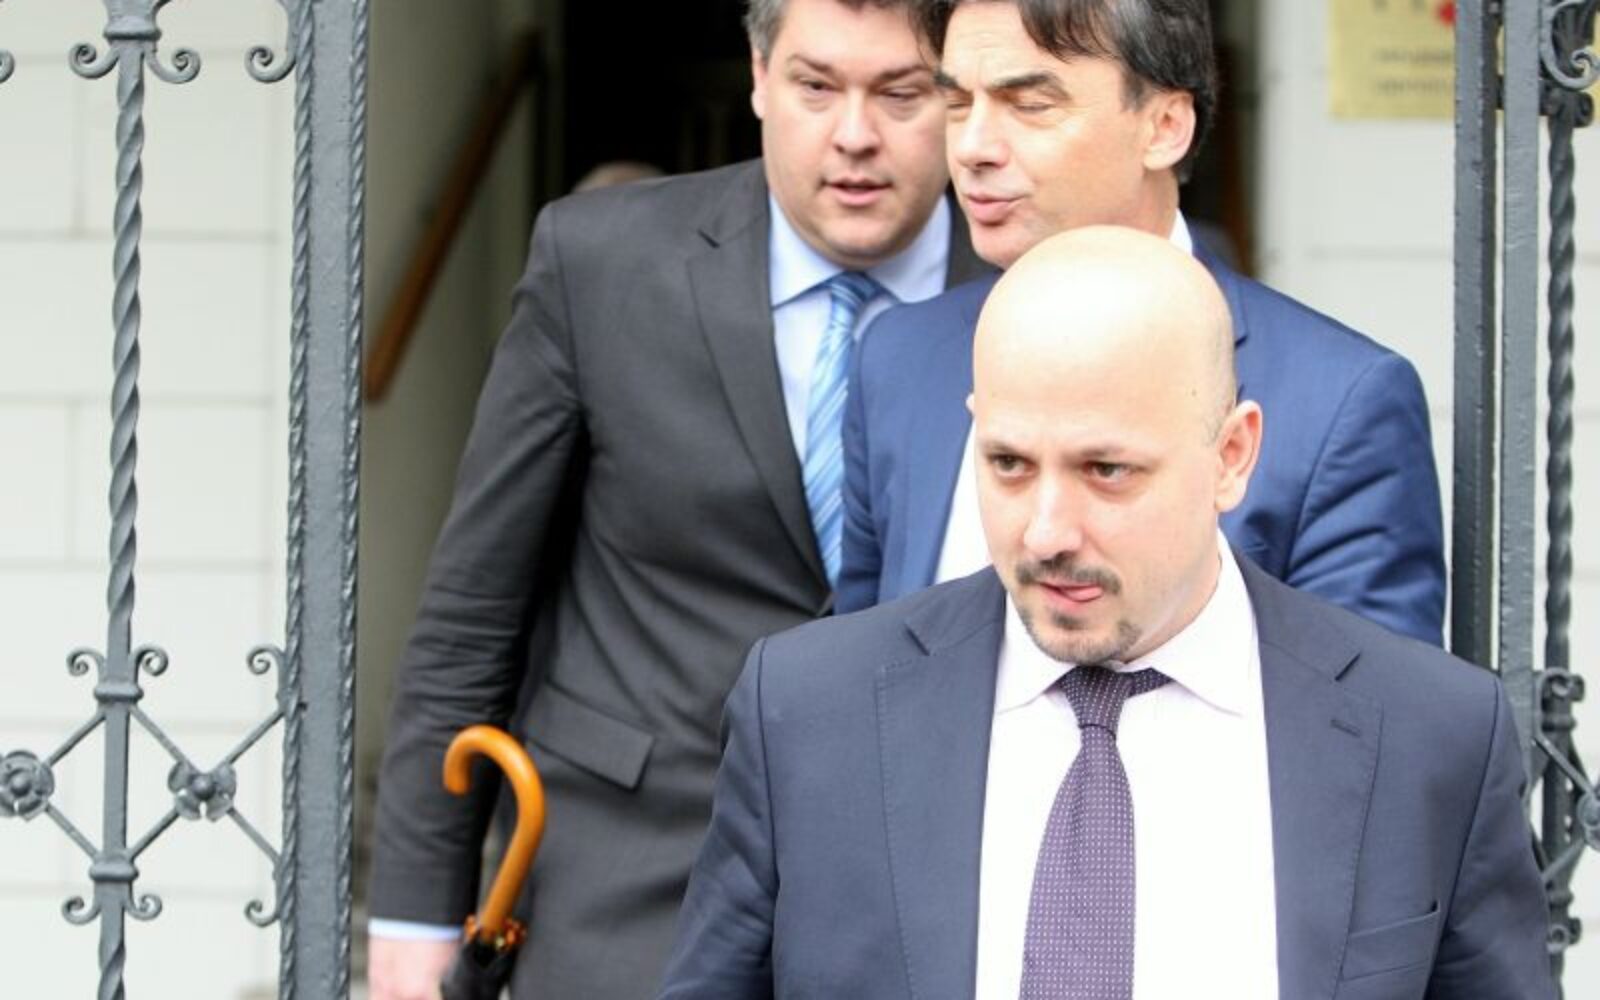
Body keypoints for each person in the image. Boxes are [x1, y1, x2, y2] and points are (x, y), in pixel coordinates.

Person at [657, 227, 1553, 1000]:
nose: (1047, 531)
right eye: (1009, 464)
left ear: (1232, 456)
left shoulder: (1429, 735)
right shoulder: (809, 713)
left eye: (1107, 471)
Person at [366, 1, 987, 997]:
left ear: (958, 95)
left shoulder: (1032, 286)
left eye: (901, 93)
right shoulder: (599, 262)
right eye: (816, 86)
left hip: (934, 894)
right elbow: (472, 610)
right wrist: (415, 910)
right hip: (625, 874)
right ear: (758, 75)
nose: (855, 133)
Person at [837, 0, 1445, 644]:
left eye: (1030, 104)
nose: (972, 148)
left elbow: (1366, 696)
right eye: (958, 103)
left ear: (1165, 126)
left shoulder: (1340, 402)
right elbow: (862, 666)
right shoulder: (897, 359)